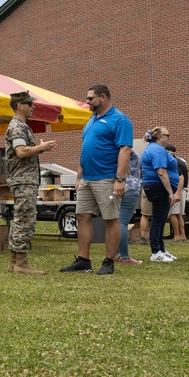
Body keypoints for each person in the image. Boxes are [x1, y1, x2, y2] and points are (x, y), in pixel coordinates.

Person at [61, 84, 132, 275]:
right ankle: (84, 261)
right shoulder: (91, 120)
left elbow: (125, 150)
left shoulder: (120, 120)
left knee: (110, 219)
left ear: (102, 97)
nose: (87, 102)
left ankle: (109, 261)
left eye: (90, 98)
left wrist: (119, 179)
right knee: (82, 216)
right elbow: (87, 150)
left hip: (107, 178)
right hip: (87, 179)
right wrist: (79, 176)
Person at [2, 92, 57, 274]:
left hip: (23, 179)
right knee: (25, 220)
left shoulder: (20, 126)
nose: (33, 108)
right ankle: (22, 264)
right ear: (20, 105)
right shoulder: (17, 127)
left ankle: (14, 262)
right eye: (30, 104)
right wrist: (41, 147)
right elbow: (21, 151)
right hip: (23, 180)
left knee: (20, 218)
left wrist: (38, 149)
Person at [139, 127, 181, 263]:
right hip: (158, 187)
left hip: (157, 186)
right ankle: (155, 251)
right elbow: (161, 172)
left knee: (161, 219)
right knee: (158, 219)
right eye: (167, 135)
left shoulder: (156, 149)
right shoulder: (156, 150)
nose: (169, 137)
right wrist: (170, 192)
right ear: (159, 137)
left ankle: (161, 249)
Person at [115, 149, 143, 265]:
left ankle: (115, 254)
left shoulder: (108, 148)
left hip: (113, 186)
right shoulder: (126, 149)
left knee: (115, 221)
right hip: (130, 186)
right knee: (122, 222)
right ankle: (125, 257)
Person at [164, 142, 188, 242]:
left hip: (176, 188)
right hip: (184, 189)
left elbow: (180, 177)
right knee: (179, 214)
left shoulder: (173, 161)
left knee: (173, 213)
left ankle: (177, 236)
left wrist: (176, 192)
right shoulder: (182, 161)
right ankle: (183, 236)